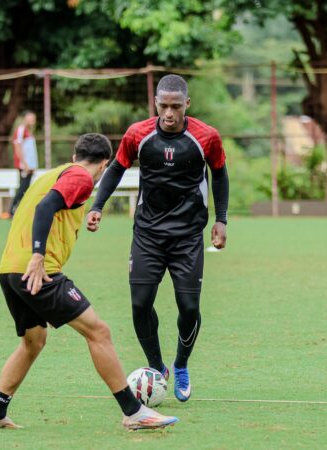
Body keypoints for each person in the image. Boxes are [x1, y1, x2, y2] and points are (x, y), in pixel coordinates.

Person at [0, 133, 178, 431]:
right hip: (38, 270)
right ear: (105, 164)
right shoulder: (82, 178)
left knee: (33, 342)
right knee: (98, 331)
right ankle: (134, 412)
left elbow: (44, 208)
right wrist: (37, 255)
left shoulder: (56, 173)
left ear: (75, 155)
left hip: (9, 269)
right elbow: (46, 208)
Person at [86, 74, 229, 403]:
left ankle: (180, 365)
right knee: (139, 305)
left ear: (186, 105)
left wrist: (220, 220)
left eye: (175, 107)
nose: (168, 113)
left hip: (188, 236)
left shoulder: (206, 137)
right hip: (147, 234)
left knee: (189, 307)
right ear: (155, 104)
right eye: (163, 106)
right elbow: (117, 167)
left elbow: (219, 173)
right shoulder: (138, 134)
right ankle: (156, 367)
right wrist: (97, 206)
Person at [9, 111, 39, 216]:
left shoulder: (28, 131)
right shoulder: (21, 130)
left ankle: (20, 210)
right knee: (23, 187)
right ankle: (12, 209)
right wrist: (25, 164)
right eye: (30, 118)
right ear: (25, 118)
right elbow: (18, 147)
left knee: (26, 187)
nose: (33, 121)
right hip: (24, 166)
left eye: (34, 119)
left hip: (29, 166)